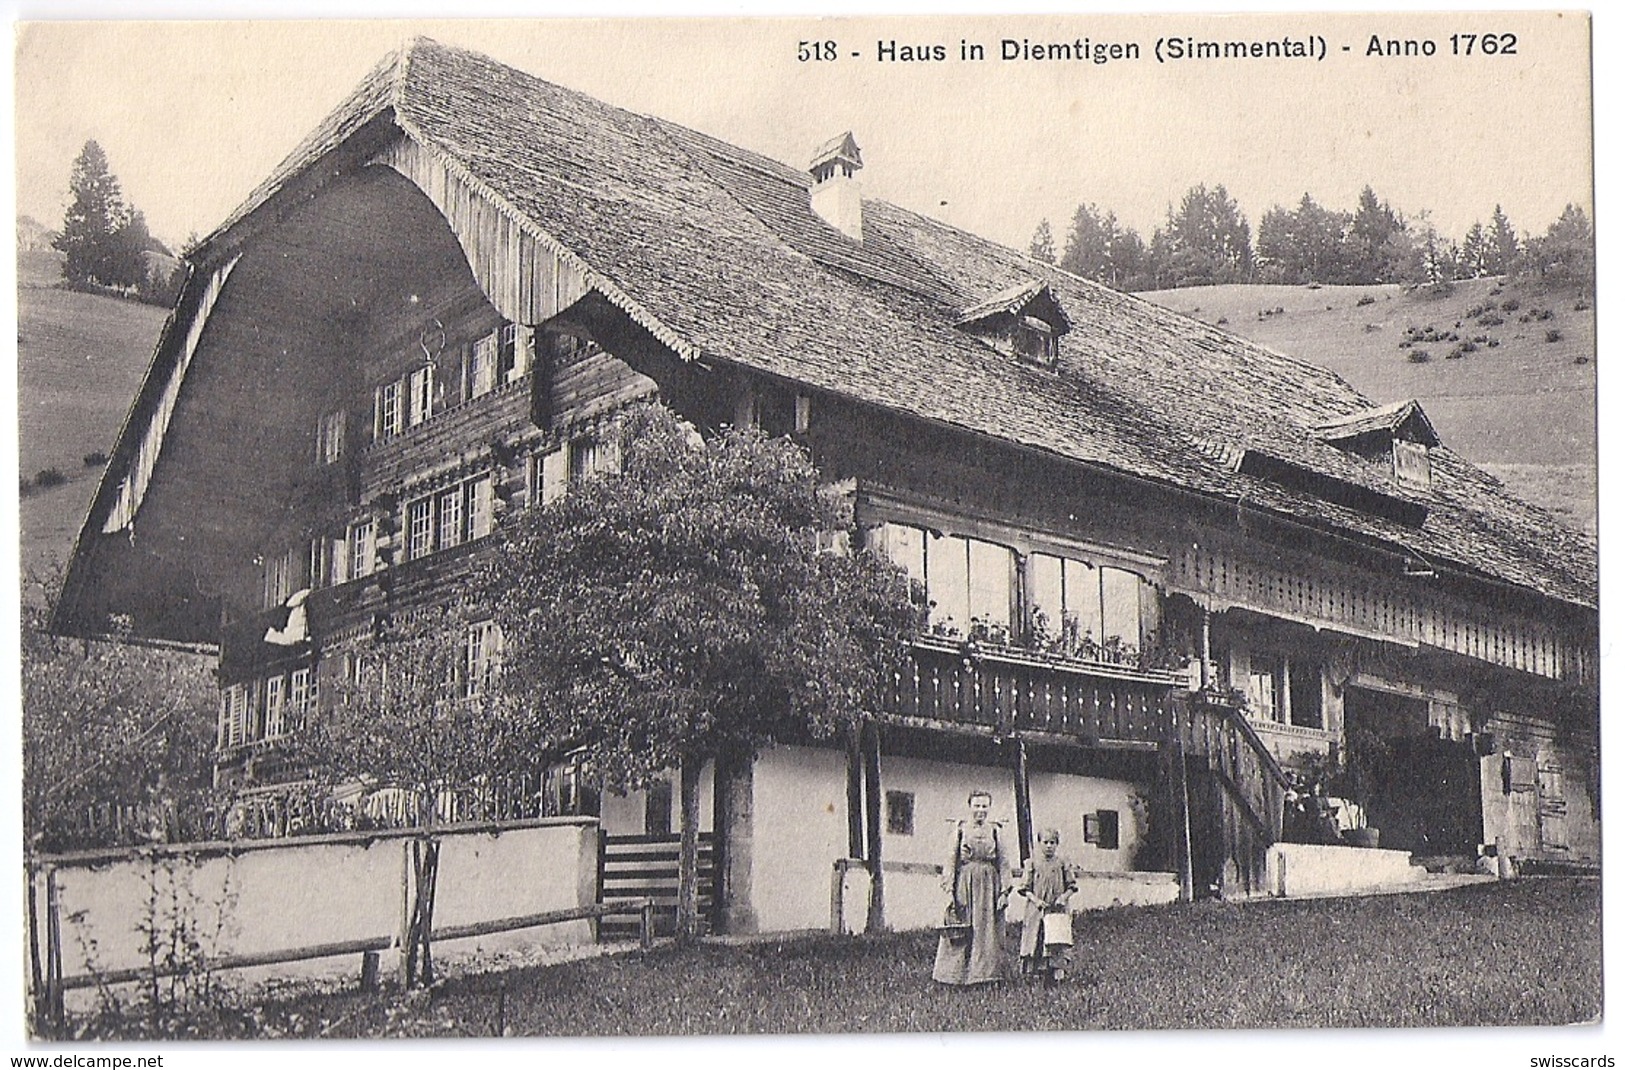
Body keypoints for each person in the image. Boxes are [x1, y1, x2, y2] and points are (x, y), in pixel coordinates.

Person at [933, 789, 1012, 986]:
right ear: (970, 806)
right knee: (963, 925)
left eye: (985, 806)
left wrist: (1004, 892)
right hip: (965, 882)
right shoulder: (961, 829)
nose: (980, 810)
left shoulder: (995, 830)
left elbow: (1003, 863)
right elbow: (951, 860)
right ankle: (955, 976)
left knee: (987, 930)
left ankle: (985, 976)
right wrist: (949, 890)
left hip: (989, 886)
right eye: (977, 805)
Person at [1013, 827, 1078, 987]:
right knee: (1037, 937)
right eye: (1046, 842)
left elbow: (1071, 885)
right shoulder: (1032, 863)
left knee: (1056, 940)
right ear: (1039, 843)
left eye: (1052, 843)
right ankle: (1036, 974)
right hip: (1037, 910)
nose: (1049, 846)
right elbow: (1024, 888)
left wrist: (1063, 897)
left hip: (1057, 910)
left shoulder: (1062, 863)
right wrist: (1035, 900)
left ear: (1057, 844)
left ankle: (1055, 975)